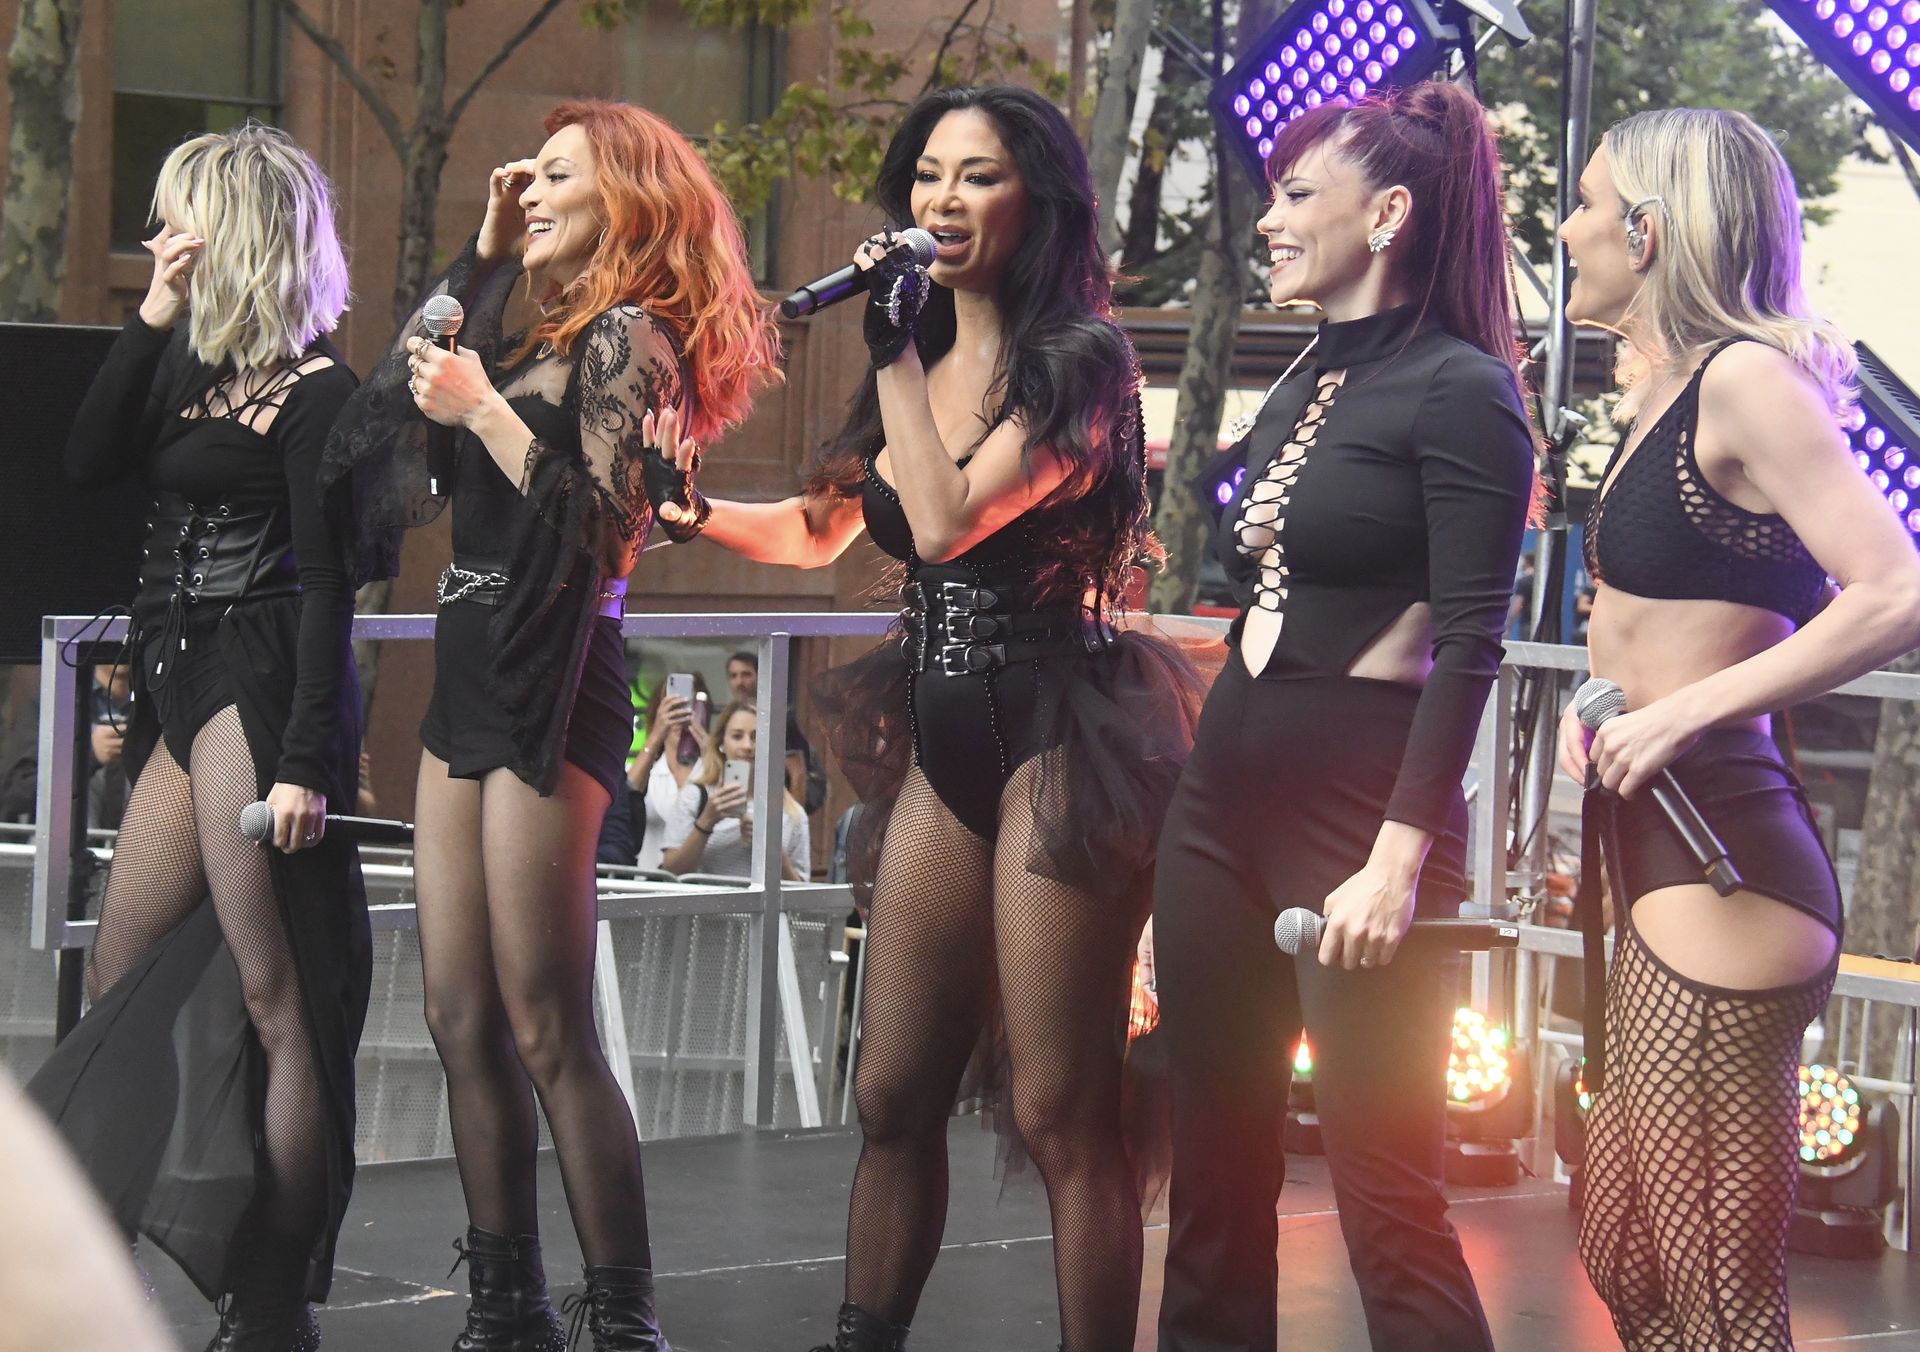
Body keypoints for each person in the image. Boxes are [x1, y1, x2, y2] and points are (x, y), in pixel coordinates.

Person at [642, 83, 1203, 1352]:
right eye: (928, 175)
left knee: (1061, 1109)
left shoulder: (1082, 363)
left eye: (978, 175)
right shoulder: (921, 351)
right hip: (945, 733)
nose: (942, 199)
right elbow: (820, 528)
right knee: (891, 1088)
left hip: (1062, 736)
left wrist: (895, 348)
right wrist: (691, 511)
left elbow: (947, 522)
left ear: (1037, 199)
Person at [321, 100, 780, 1351]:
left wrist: (483, 410)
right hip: (467, 677)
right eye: (525, 178)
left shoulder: (632, 337)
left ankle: (623, 1315)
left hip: (554, 669)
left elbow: (604, 527)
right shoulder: (526, 335)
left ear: (624, 199)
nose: (528, 191)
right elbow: (364, 437)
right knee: (457, 1015)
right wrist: (474, 261)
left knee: (542, 1020)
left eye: (555, 176)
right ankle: (504, 1304)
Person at [1151, 83, 1535, 1351]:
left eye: (1296, 194)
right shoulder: (1309, 370)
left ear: (1387, 215)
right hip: (1222, 793)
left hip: (1359, 810)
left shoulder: (1464, 388)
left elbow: (1471, 642)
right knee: (1212, 1174)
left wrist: (1396, 857)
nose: (1268, 219)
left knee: (1387, 1197)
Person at [1556, 107, 1920, 1349]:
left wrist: (1684, 709)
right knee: (1626, 1250)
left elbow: (1897, 587)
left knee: (1717, 1293)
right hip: (1655, 839)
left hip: (1726, 854)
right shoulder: (1666, 391)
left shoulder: (1748, 380)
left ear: (1649, 232)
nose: (1567, 229)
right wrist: (1610, 709)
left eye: (1588, 204)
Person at [27, 123, 367, 1351]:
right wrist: (154, 310)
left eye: (183, 219)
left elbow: (329, 587)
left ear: (242, 233)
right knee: (119, 971)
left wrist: (308, 760)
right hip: (177, 671)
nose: (162, 235)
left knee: (275, 997)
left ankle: (272, 1300)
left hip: (258, 678)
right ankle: (99, 1250)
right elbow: (87, 460)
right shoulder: (194, 366)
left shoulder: (321, 392)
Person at [659, 700, 810, 879]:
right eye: (737, 736)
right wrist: (707, 820)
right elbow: (671, 871)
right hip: (708, 898)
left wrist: (773, 848)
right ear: (721, 744)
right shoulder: (695, 797)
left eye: (756, 737)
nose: (747, 746)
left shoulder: (791, 812)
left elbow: (800, 889)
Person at [629, 680, 709, 870]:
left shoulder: (710, 769)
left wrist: (709, 750)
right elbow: (625, 798)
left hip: (701, 882)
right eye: (673, 707)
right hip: (649, 879)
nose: (681, 716)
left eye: (690, 707)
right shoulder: (647, 770)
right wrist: (657, 733)